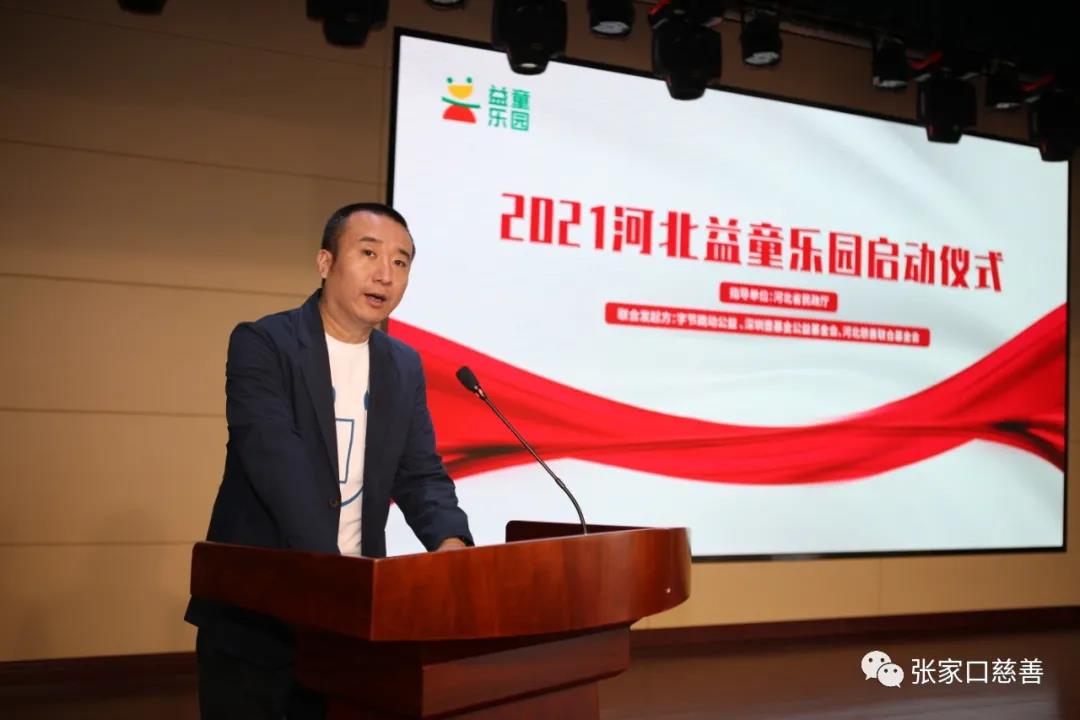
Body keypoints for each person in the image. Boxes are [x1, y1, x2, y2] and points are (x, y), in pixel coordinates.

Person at [185, 202, 472, 719]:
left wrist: (450, 543)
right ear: (325, 263)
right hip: (260, 615)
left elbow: (420, 473)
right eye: (369, 254)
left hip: (351, 626)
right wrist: (340, 583)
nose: (385, 274)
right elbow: (277, 464)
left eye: (401, 262)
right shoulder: (263, 344)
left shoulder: (402, 365)